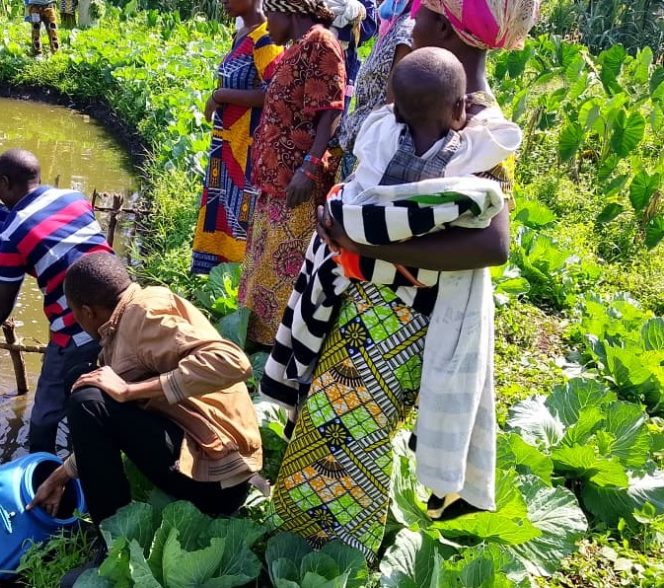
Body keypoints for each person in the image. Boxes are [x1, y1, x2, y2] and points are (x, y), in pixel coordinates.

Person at [262, 0, 539, 562]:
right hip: (362, 296)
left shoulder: (480, 128)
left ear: (444, 25)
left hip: (398, 314)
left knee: (352, 440)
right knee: (331, 423)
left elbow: (493, 245)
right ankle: (303, 540)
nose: (414, 21)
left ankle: (338, 558)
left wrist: (362, 242)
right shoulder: (426, 101)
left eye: (426, 13)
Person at [26, 253, 261, 583]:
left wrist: (128, 391)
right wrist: (62, 474)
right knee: (84, 379)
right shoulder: (127, 316)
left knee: (88, 398)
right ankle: (114, 525)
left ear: (87, 312)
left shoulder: (145, 315)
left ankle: (113, 546)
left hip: (221, 482)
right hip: (210, 459)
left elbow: (232, 362)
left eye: (76, 315)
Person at [0, 149, 112, 455]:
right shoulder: (75, 198)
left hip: (76, 328)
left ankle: (42, 475)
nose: (0, 196)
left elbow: (1, 307)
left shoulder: (13, 229)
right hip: (122, 310)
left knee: (45, 417)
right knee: (96, 396)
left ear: (6, 182)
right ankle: (86, 465)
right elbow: (71, 248)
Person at [238, 0, 346, 347]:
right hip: (277, 179)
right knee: (265, 262)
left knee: (285, 264)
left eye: (271, 16)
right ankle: (256, 342)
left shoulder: (320, 44)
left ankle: (278, 347)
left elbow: (330, 112)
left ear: (291, 12)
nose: (267, 25)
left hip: (297, 181)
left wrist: (309, 167)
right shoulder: (295, 49)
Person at [191, 0, 284, 274]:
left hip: (246, 148)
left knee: (241, 214)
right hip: (227, 143)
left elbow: (273, 93)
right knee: (220, 208)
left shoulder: (266, 37)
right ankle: (217, 275)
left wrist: (220, 96)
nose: (223, 2)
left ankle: (237, 279)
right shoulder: (242, 34)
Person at [334, 0, 415, 179]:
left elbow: (392, 109)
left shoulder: (408, 28)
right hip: (358, 139)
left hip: (370, 152)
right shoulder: (392, 21)